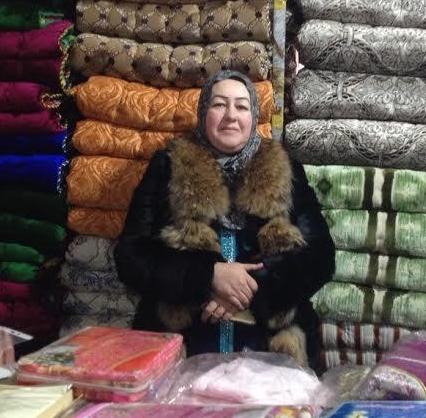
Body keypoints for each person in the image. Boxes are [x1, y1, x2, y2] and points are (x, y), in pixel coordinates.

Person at [114, 70, 335, 371]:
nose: (231, 115)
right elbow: (131, 256)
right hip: (182, 353)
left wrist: (249, 288)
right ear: (203, 112)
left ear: (253, 116)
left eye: (241, 106)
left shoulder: (285, 170)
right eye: (219, 104)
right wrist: (207, 277)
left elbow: (321, 256)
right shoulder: (168, 167)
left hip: (271, 356)